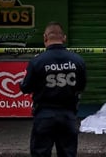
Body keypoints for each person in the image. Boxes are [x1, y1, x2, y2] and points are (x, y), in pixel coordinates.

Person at [20, 21, 87, 157]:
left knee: (40, 153)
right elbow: (81, 86)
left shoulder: (37, 61)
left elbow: (25, 87)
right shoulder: (77, 60)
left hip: (44, 116)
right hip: (68, 116)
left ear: (45, 38)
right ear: (64, 38)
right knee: (68, 153)